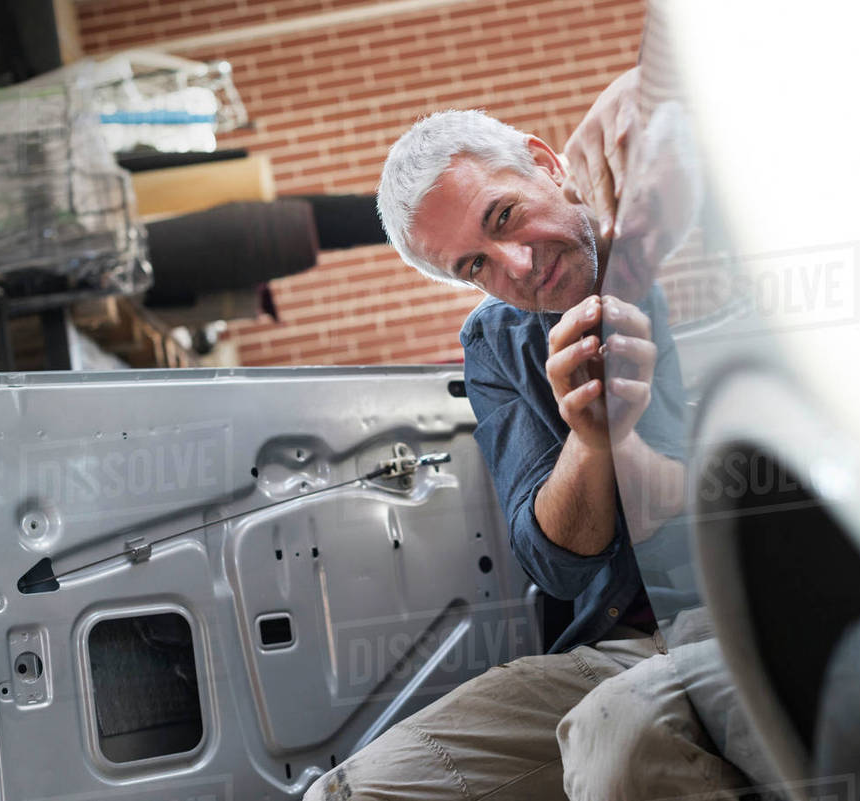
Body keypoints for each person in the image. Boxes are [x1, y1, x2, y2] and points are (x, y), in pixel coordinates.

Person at [303, 68, 778, 801]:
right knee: (349, 793)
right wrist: (592, 442)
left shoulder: (700, 224)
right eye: (476, 266)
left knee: (616, 734)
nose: (519, 266)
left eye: (503, 217)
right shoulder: (496, 340)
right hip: (624, 643)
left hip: (759, 597)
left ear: (546, 164)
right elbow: (555, 564)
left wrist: (662, 85)